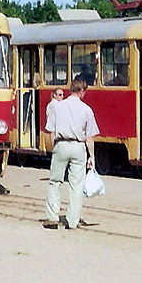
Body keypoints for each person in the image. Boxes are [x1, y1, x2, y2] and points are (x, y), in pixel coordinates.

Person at [43, 77, 100, 230]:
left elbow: (50, 130)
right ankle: (73, 221)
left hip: (61, 145)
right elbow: (90, 137)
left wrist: (52, 147)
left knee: (55, 182)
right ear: (81, 91)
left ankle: (53, 217)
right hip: (78, 147)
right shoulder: (87, 109)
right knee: (76, 185)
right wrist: (91, 157)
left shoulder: (58, 107)